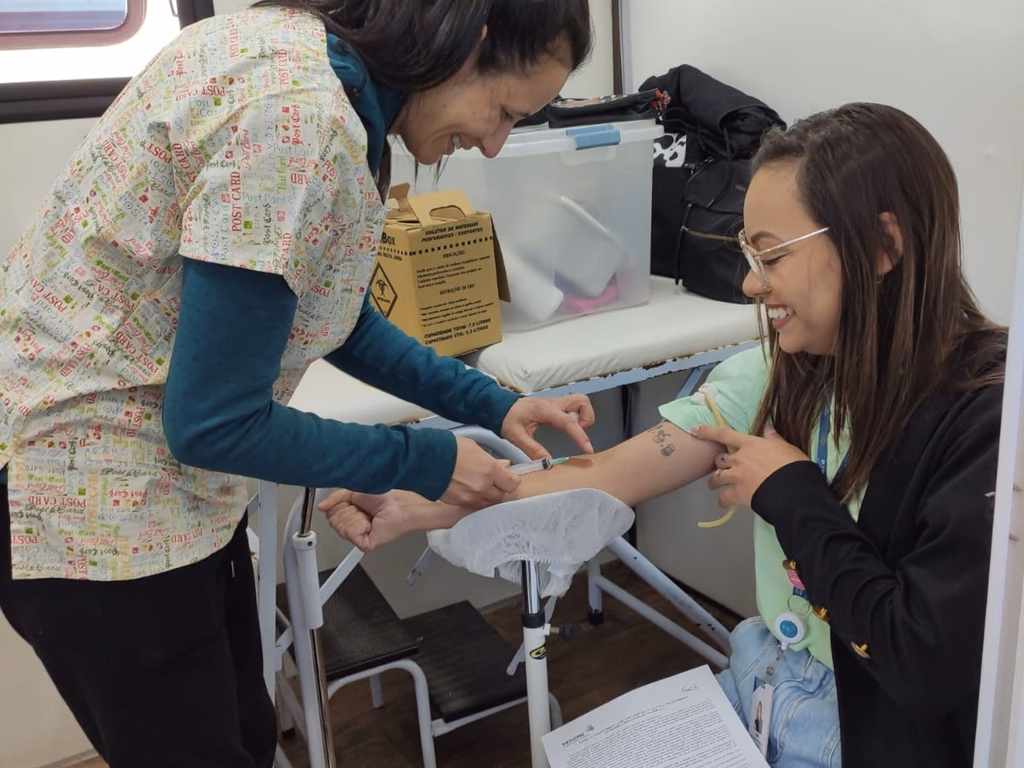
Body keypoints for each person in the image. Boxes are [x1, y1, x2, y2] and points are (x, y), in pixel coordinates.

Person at [321, 103, 1008, 768]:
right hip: (763, 674)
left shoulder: (987, 420)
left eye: (771, 256)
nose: (748, 283)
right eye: (747, 254)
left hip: (870, 727)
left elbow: (920, 660)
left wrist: (790, 493)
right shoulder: (783, 373)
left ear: (883, 246)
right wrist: (427, 501)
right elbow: (605, 475)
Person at [0, 2, 596, 766]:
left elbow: (329, 310)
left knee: (245, 733)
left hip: (159, 488)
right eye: (505, 112)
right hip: (92, 501)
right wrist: (431, 463)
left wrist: (493, 402)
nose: (492, 143)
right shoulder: (299, 121)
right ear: (467, 42)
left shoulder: (300, 58)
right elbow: (214, 423)